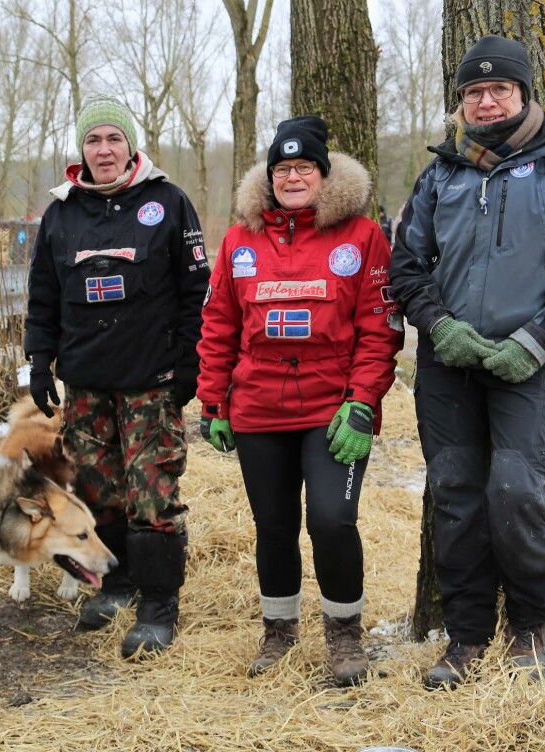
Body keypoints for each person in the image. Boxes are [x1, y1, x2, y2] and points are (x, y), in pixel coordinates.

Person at [389, 35, 545, 689]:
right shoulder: (440, 171)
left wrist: (534, 342)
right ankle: (465, 637)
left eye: (499, 90)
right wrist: (440, 327)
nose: (486, 101)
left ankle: (532, 625)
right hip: (448, 363)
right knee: (456, 496)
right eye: (473, 92)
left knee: (513, 491)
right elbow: (406, 262)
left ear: (523, 94)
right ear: (462, 101)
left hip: (528, 362)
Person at [196, 116, 403, 684]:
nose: (292, 177)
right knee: (274, 525)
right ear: (268, 177)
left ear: (323, 173)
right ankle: (278, 630)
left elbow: (379, 329)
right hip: (258, 404)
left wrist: (363, 401)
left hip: (331, 406)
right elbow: (219, 321)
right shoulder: (241, 238)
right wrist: (213, 400)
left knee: (333, 520)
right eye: (282, 169)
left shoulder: (361, 236)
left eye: (304, 167)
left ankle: (344, 634)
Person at [24, 94, 210, 658]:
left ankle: (158, 604)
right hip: (85, 380)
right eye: (93, 140)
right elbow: (43, 294)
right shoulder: (61, 213)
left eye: (113, 139)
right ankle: (118, 582)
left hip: (150, 379)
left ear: (131, 145)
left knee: (151, 490)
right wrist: (39, 357)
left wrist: (189, 363)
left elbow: (196, 293)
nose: (103, 150)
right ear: (81, 149)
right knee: (100, 487)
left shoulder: (167, 203)